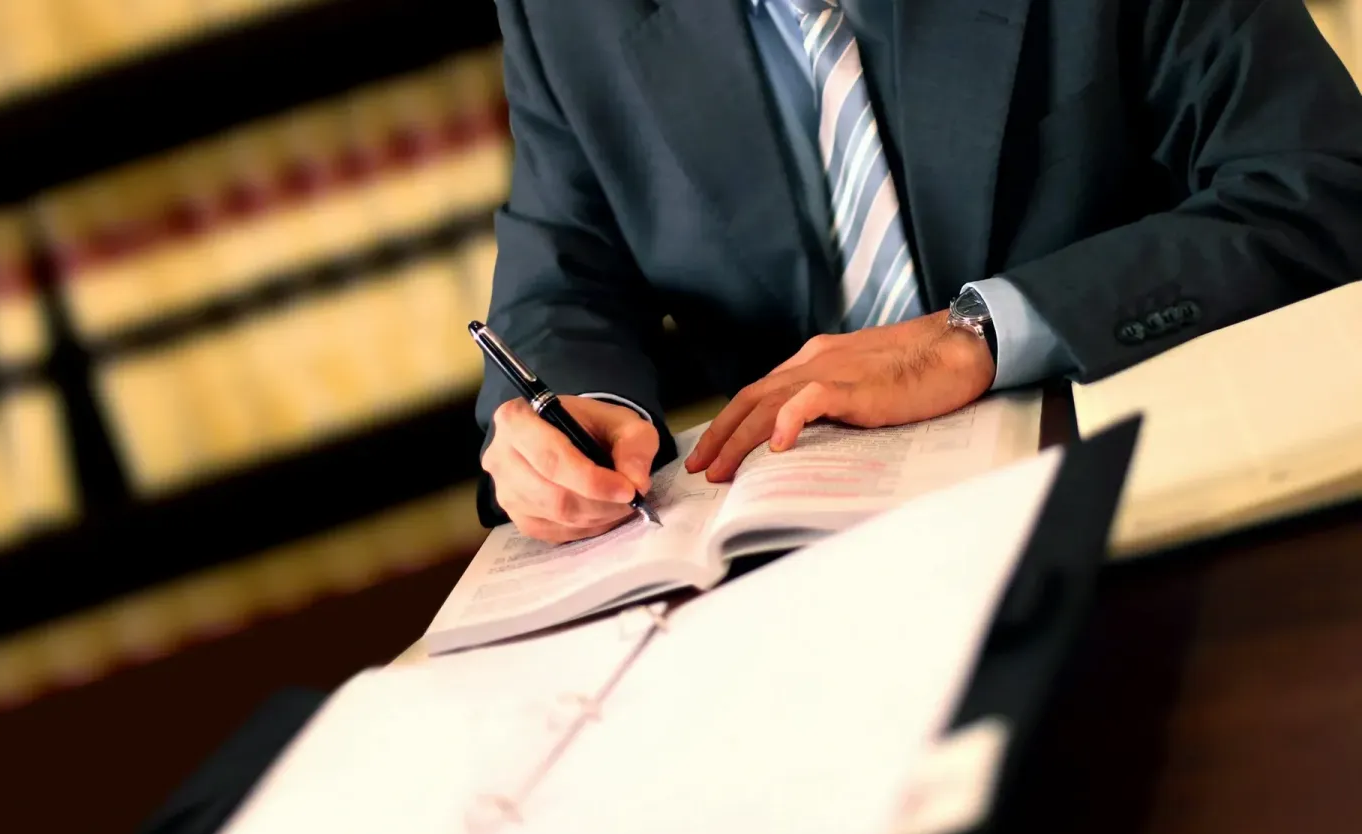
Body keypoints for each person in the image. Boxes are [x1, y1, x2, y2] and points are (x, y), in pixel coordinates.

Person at [477, 0, 1362, 542]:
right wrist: (579, 416)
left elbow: (1322, 184)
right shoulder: (562, 11)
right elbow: (563, 277)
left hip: (1139, 490)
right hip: (799, 567)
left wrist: (981, 333)